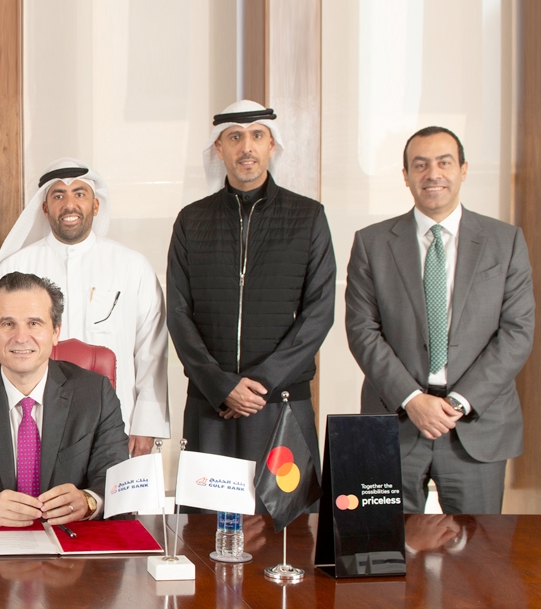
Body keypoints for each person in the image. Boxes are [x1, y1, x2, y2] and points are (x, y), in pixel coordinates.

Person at [346, 127, 533, 514]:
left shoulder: (505, 241)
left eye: (444, 162)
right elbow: (362, 330)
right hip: (396, 421)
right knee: (387, 545)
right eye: (420, 165)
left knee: (479, 549)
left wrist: (459, 403)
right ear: (406, 175)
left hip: (477, 425)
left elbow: (517, 332)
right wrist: (412, 399)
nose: (433, 174)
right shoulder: (372, 242)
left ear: (463, 169)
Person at [166, 100, 335, 509]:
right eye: (235, 137)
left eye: (257, 136)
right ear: (218, 148)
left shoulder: (308, 216)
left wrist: (260, 383)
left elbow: (319, 312)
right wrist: (222, 386)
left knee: (287, 528)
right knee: (207, 527)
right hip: (212, 405)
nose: (247, 147)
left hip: (281, 403)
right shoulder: (191, 220)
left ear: (271, 145)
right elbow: (179, 313)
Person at [0, 157, 169, 455]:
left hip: (116, 419)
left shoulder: (132, 266)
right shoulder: (15, 267)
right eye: (58, 195)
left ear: (95, 205)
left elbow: (151, 350)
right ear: (45, 208)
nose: (69, 204)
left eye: (79, 194)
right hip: (31, 420)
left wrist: (146, 424)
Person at [0, 272, 129, 525]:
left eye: (34, 323)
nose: (21, 337)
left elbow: (118, 483)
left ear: (55, 332)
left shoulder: (95, 394)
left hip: (73, 539)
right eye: (7, 324)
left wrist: (88, 501)